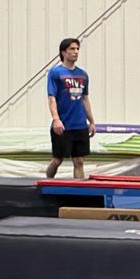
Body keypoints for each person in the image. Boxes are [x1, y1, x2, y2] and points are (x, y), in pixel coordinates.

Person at [44, 37, 94, 180]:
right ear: (63, 52)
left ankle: (78, 193)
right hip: (63, 125)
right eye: (72, 49)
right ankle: (47, 182)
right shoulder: (55, 73)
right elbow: (51, 98)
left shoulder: (83, 75)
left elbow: (85, 98)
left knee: (79, 161)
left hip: (79, 125)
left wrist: (91, 121)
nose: (75, 52)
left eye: (77, 49)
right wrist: (56, 120)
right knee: (57, 160)